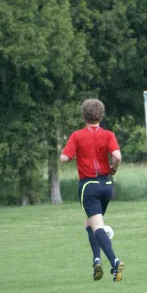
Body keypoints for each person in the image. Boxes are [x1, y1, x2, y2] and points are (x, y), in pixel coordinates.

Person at [60, 99, 124, 282]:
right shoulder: (108, 134)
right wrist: (114, 169)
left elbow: (63, 158)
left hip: (89, 186)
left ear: (83, 115)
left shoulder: (77, 136)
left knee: (97, 226)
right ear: (101, 115)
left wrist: (73, 156)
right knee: (90, 223)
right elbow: (117, 156)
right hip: (107, 185)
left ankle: (115, 261)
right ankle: (96, 259)